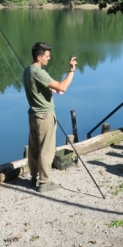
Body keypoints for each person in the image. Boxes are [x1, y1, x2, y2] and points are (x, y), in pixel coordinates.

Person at [23, 42, 77, 193]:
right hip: (45, 116)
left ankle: (33, 177)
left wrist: (50, 90)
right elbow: (62, 86)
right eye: (47, 56)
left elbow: (41, 88)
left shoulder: (28, 70)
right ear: (39, 57)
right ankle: (44, 182)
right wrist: (71, 71)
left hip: (33, 115)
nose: (49, 58)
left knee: (34, 149)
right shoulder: (39, 72)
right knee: (46, 150)